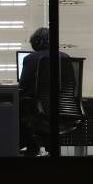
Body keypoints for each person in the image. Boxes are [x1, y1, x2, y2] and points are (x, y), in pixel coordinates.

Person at [15, 27, 73, 155]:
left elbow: (22, 86)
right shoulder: (65, 57)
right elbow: (71, 86)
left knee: (13, 112)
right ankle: (44, 146)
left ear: (35, 42)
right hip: (63, 111)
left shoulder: (30, 58)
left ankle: (30, 146)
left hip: (38, 112)